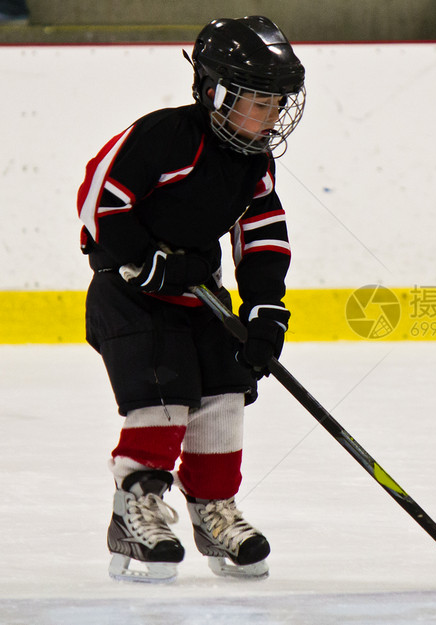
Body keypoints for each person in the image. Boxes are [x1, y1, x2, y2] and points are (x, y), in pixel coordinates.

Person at [76, 15, 305, 583]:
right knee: (162, 399)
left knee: (225, 395)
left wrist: (264, 309)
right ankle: (136, 509)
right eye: (259, 101)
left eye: (277, 103)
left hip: (199, 296)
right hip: (129, 295)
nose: (270, 116)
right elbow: (99, 196)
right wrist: (142, 260)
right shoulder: (166, 135)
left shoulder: (255, 163)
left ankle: (213, 510)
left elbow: (263, 234)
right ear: (215, 92)